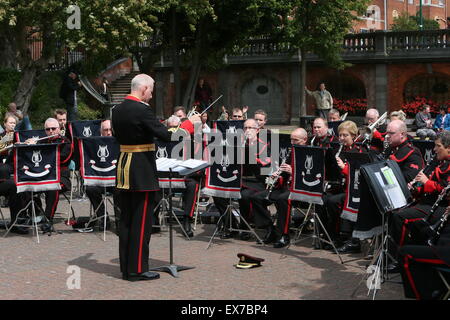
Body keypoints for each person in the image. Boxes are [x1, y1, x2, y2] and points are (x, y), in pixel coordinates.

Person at [111, 73, 199, 282]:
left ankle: (127, 267)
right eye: (151, 90)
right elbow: (168, 137)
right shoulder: (142, 109)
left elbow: (142, 127)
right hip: (141, 169)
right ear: (143, 89)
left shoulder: (117, 109)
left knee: (126, 221)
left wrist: (164, 122)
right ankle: (138, 270)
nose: (151, 94)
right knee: (142, 222)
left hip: (124, 166)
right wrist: (188, 124)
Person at [387, 130, 450, 274]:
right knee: (395, 211)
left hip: (441, 207)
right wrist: (416, 188)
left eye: (438, 146)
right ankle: (400, 256)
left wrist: (426, 182)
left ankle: (399, 259)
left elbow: (444, 189)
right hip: (429, 202)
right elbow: (429, 185)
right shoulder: (440, 163)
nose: (434, 149)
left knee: (400, 217)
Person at [250, 127, 309, 248]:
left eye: (296, 140)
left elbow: (312, 175)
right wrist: (277, 174)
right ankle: (270, 229)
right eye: (291, 140)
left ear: (304, 140)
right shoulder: (290, 151)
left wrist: (293, 172)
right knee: (257, 198)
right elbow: (283, 172)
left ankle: (284, 234)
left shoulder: (310, 153)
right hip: (285, 187)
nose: (292, 143)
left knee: (283, 199)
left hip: (300, 189)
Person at [24, 118, 73, 233]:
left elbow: (62, 159)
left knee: (53, 187)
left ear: (59, 129)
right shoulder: (41, 142)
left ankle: (48, 219)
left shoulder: (66, 142)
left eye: (53, 128)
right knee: (23, 185)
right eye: (48, 129)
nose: (50, 131)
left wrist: (42, 150)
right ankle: (33, 214)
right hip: (41, 176)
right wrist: (29, 146)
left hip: (61, 177)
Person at [85, 120, 121, 233]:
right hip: (99, 179)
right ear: (101, 131)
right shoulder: (93, 143)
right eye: (106, 130)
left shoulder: (118, 141)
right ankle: (103, 218)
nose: (109, 133)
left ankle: (120, 220)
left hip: (115, 179)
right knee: (90, 189)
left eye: (111, 130)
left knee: (120, 188)